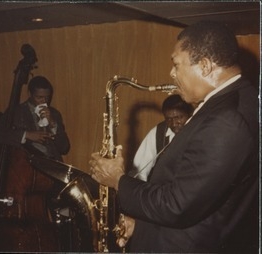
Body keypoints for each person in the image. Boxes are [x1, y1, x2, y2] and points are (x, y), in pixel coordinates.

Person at [89, 21, 259, 253]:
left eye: (176, 64)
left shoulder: (227, 119)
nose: (171, 73)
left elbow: (176, 206)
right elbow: (193, 193)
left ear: (205, 66)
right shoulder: (233, 102)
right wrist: (142, 223)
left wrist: (117, 180)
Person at [0, 75, 70, 161]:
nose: (44, 101)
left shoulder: (54, 113)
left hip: (51, 164)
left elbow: (64, 148)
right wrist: (26, 135)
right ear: (30, 94)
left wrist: (53, 124)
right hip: (25, 164)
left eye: (47, 97)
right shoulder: (17, 111)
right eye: (39, 97)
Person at [130, 94, 193, 181]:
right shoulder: (158, 133)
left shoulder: (201, 130)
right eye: (168, 119)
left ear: (189, 114)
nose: (174, 124)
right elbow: (139, 170)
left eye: (178, 117)